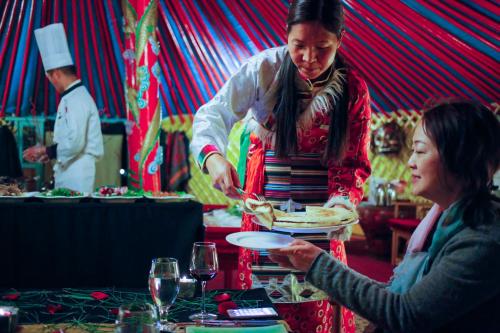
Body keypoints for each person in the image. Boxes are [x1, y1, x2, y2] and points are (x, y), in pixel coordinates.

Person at [191, 0, 371, 331]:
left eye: (323, 48)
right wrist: (214, 157)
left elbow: (353, 165)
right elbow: (213, 113)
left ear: (340, 40)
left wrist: (339, 208)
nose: (309, 59)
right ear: (285, 34)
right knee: (260, 319)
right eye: (299, 46)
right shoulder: (263, 70)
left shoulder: (353, 90)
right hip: (263, 225)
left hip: (320, 228)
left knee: (316, 316)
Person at [270, 100, 500, 333]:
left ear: (460, 157)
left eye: (420, 151)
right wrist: (311, 265)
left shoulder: (483, 239)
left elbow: (406, 313)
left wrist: (318, 264)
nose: (410, 162)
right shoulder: (447, 218)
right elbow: (397, 295)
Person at [23, 23, 103, 193]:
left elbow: (75, 142)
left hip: (78, 173)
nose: (52, 84)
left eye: (51, 78)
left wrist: (45, 149)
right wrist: (49, 154)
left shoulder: (77, 99)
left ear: (57, 74)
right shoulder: (72, 97)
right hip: (69, 171)